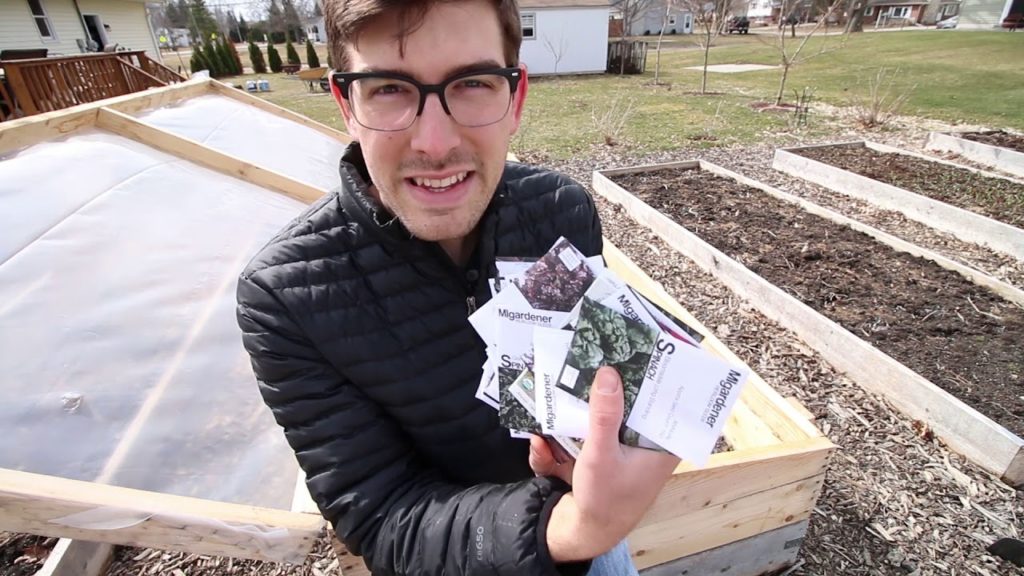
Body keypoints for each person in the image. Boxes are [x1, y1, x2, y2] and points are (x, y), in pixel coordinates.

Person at [235, 1, 679, 574]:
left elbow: (596, 372)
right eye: (388, 88)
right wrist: (570, 527)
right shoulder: (286, 296)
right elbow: (380, 512)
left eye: (472, 83)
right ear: (347, 106)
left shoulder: (560, 211)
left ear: (515, 98)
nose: (435, 142)